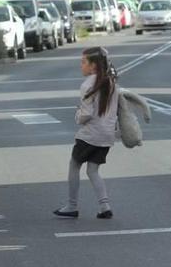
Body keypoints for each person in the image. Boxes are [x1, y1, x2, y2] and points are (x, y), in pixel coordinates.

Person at [54, 47, 119, 219]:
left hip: (91, 134)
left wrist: (77, 115)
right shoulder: (111, 82)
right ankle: (105, 206)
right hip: (106, 136)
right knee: (93, 170)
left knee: (74, 165)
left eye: (83, 62)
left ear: (94, 66)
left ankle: (72, 205)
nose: (81, 66)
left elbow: (86, 114)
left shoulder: (88, 85)